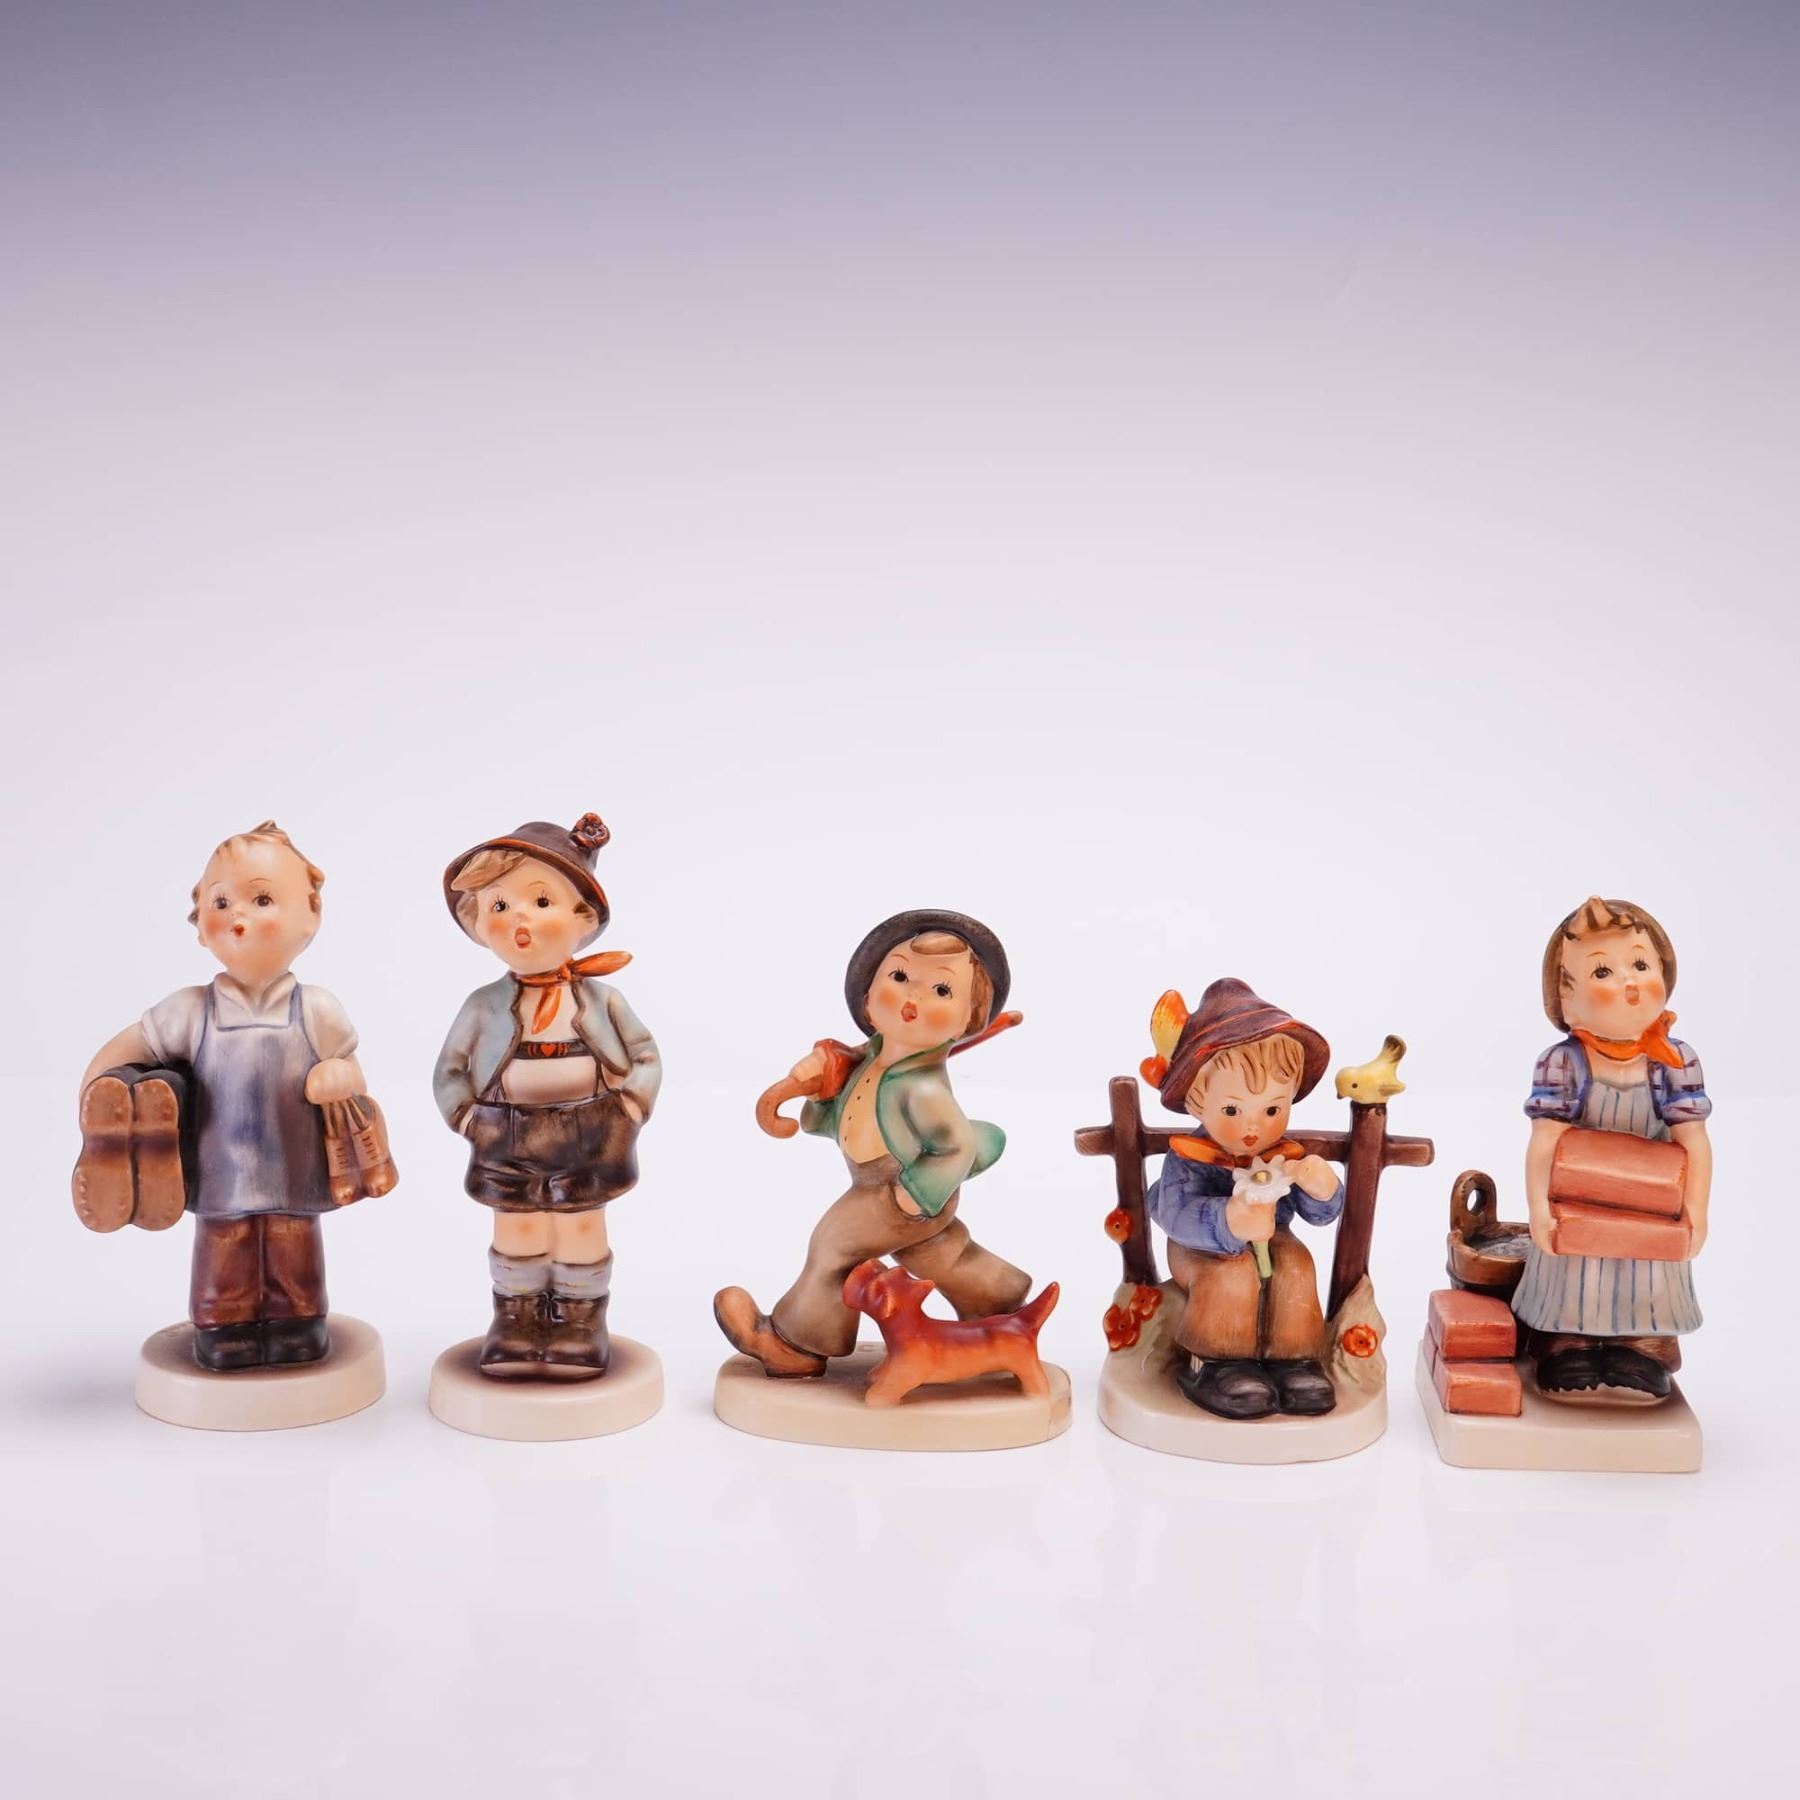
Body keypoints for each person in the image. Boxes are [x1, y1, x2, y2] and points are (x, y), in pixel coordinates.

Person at [714, 908, 1030, 1377]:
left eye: (942, 990)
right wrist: (821, 1091)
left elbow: (957, 1146)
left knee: (834, 1247)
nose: (913, 998)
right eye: (900, 977)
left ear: (968, 1020)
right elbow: (841, 1119)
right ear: (867, 995)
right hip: (884, 1185)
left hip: (899, 1190)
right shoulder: (870, 1061)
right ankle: (997, 1300)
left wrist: (911, 1197)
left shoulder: (922, 1089)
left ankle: (795, 1343)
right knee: (936, 1251)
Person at [434, 812, 660, 1378]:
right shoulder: (482, 1005)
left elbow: (645, 1055)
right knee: (518, 1224)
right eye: (499, 905)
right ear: (478, 924)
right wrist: (467, 1117)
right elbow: (451, 1068)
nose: (520, 919)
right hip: (506, 1128)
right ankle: (517, 1320)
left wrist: (630, 1106)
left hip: (590, 1125)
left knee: (580, 1224)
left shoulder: (602, 1001)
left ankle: (579, 1324)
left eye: (540, 901)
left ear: (583, 918)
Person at [1513, 896, 1711, 1401]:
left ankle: (1640, 1349)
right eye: (1603, 972)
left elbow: (1693, 1140)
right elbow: (1544, 1141)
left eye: (1641, 965)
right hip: (1577, 1204)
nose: (1629, 982)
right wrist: (1539, 1209)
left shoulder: (1675, 1061)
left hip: (1652, 1209)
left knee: (1647, 1283)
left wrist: (1696, 1211)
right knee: (1574, 1279)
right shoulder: (1563, 1063)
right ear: (1566, 998)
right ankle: (1569, 1344)